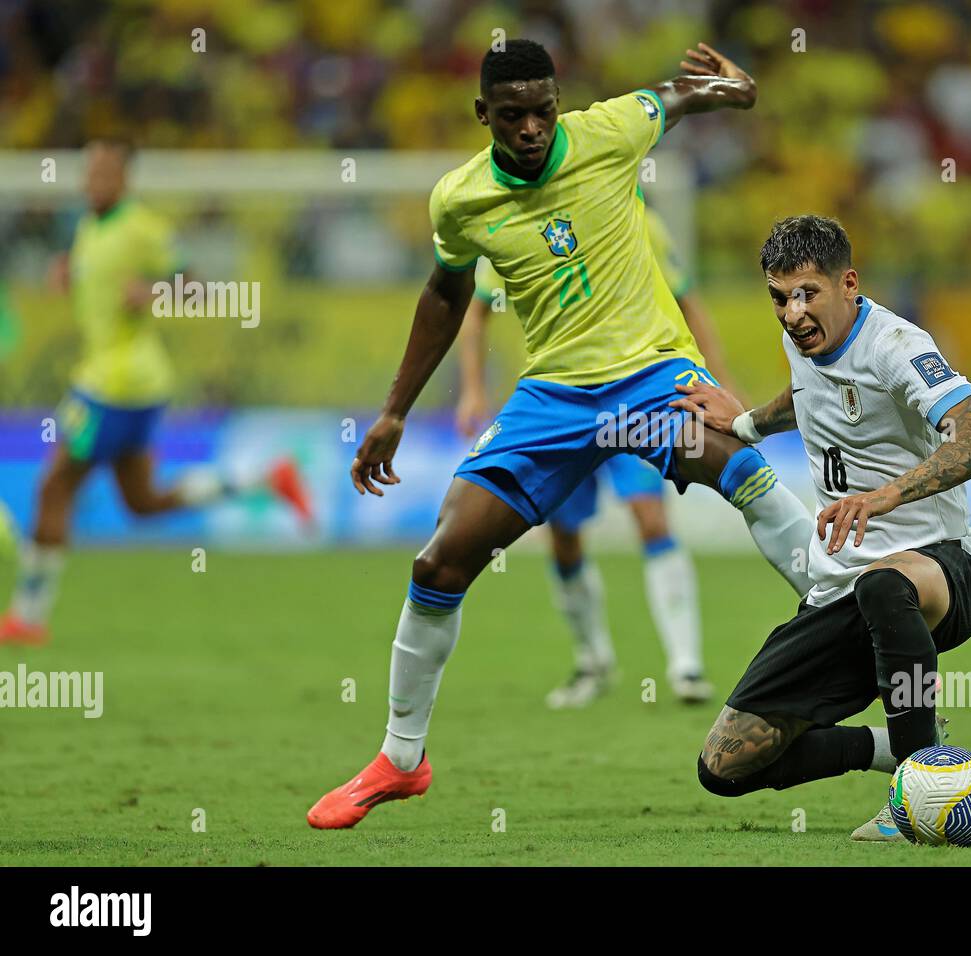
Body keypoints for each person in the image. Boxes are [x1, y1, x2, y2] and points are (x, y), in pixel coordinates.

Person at [307, 40, 815, 829]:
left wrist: (734, 90)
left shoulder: (610, 129)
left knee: (743, 470)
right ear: (485, 116)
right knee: (441, 559)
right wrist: (396, 408)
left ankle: (846, 608)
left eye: (544, 110)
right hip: (554, 399)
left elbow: (675, 98)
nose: (534, 129)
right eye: (513, 116)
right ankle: (400, 760)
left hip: (653, 373)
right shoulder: (460, 199)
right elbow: (444, 295)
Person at [673, 216, 971, 841]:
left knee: (885, 585)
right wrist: (744, 424)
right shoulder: (804, 341)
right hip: (836, 591)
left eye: (807, 294)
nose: (792, 313)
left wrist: (885, 497)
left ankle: (915, 786)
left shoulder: (897, 346)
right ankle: (895, 744)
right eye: (779, 297)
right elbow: (808, 397)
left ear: (848, 283)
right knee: (726, 766)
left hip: (939, 568)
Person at [0, 139, 312, 646]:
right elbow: (96, 276)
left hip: (114, 384)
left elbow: (201, 291)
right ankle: (265, 479)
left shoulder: (143, 228)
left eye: (106, 171)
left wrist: (150, 293)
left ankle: (28, 616)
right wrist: (69, 273)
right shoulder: (87, 227)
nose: (94, 180)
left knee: (55, 486)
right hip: (130, 384)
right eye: (90, 170)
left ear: (125, 179)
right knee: (142, 503)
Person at [454, 209, 743, 707]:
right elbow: (477, 310)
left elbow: (688, 301)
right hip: (563, 407)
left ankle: (685, 665)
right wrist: (473, 389)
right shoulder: (513, 224)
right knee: (565, 536)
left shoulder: (631, 217)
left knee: (650, 518)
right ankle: (593, 661)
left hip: (632, 395)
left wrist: (717, 377)